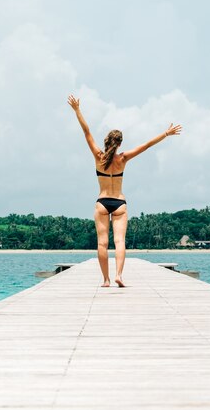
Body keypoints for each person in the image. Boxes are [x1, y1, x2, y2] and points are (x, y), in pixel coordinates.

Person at [67, 94, 182, 287]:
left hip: (102, 202)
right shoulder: (123, 158)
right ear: (120, 143)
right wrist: (165, 134)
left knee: (102, 243)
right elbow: (146, 145)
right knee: (120, 242)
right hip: (119, 203)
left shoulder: (98, 157)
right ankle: (119, 275)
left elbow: (86, 132)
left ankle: (106, 280)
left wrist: (77, 110)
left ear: (106, 141)